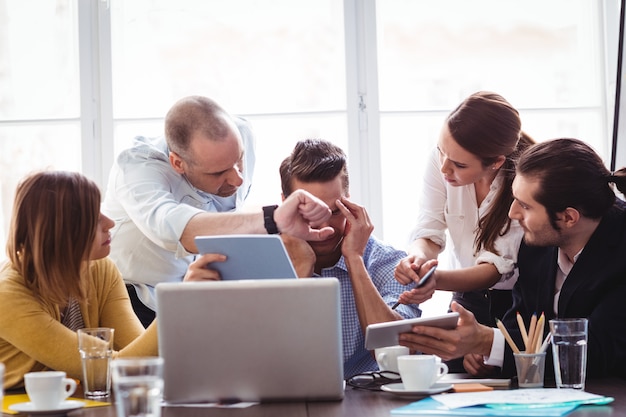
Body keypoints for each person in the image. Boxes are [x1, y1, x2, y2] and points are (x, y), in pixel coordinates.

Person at [397, 138, 626, 380]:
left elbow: (599, 354)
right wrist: (488, 355)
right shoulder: (539, 242)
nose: (512, 213)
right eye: (514, 198)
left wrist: (488, 342)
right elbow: (521, 323)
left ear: (569, 218)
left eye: (525, 206)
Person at [102, 96, 333, 327]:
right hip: (137, 300)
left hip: (200, 291)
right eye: (218, 173)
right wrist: (271, 219)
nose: (238, 179)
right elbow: (172, 228)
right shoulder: (137, 167)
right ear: (177, 163)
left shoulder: (241, 133)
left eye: (239, 160)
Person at [0, 171, 161, 389]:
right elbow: (108, 370)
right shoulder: (8, 296)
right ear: (61, 231)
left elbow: (142, 360)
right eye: (95, 219)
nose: (110, 223)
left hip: (72, 404)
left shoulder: (101, 270)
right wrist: (177, 305)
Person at [277, 139, 423, 378]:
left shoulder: (390, 263)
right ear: (285, 204)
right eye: (310, 212)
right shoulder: (260, 261)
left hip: (368, 403)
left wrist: (354, 259)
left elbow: (398, 356)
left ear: (349, 202)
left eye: (334, 211)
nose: (323, 226)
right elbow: (266, 363)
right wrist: (300, 275)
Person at [394, 91, 535, 329]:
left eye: (459, 165)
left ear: (496, 162)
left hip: (514, 304)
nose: (444, 168)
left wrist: (434, 280)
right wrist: (417, 260)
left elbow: (495, 269)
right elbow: (429, 228)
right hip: (464, 297)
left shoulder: (524, 182)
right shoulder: (443, 162)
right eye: (441, 151)